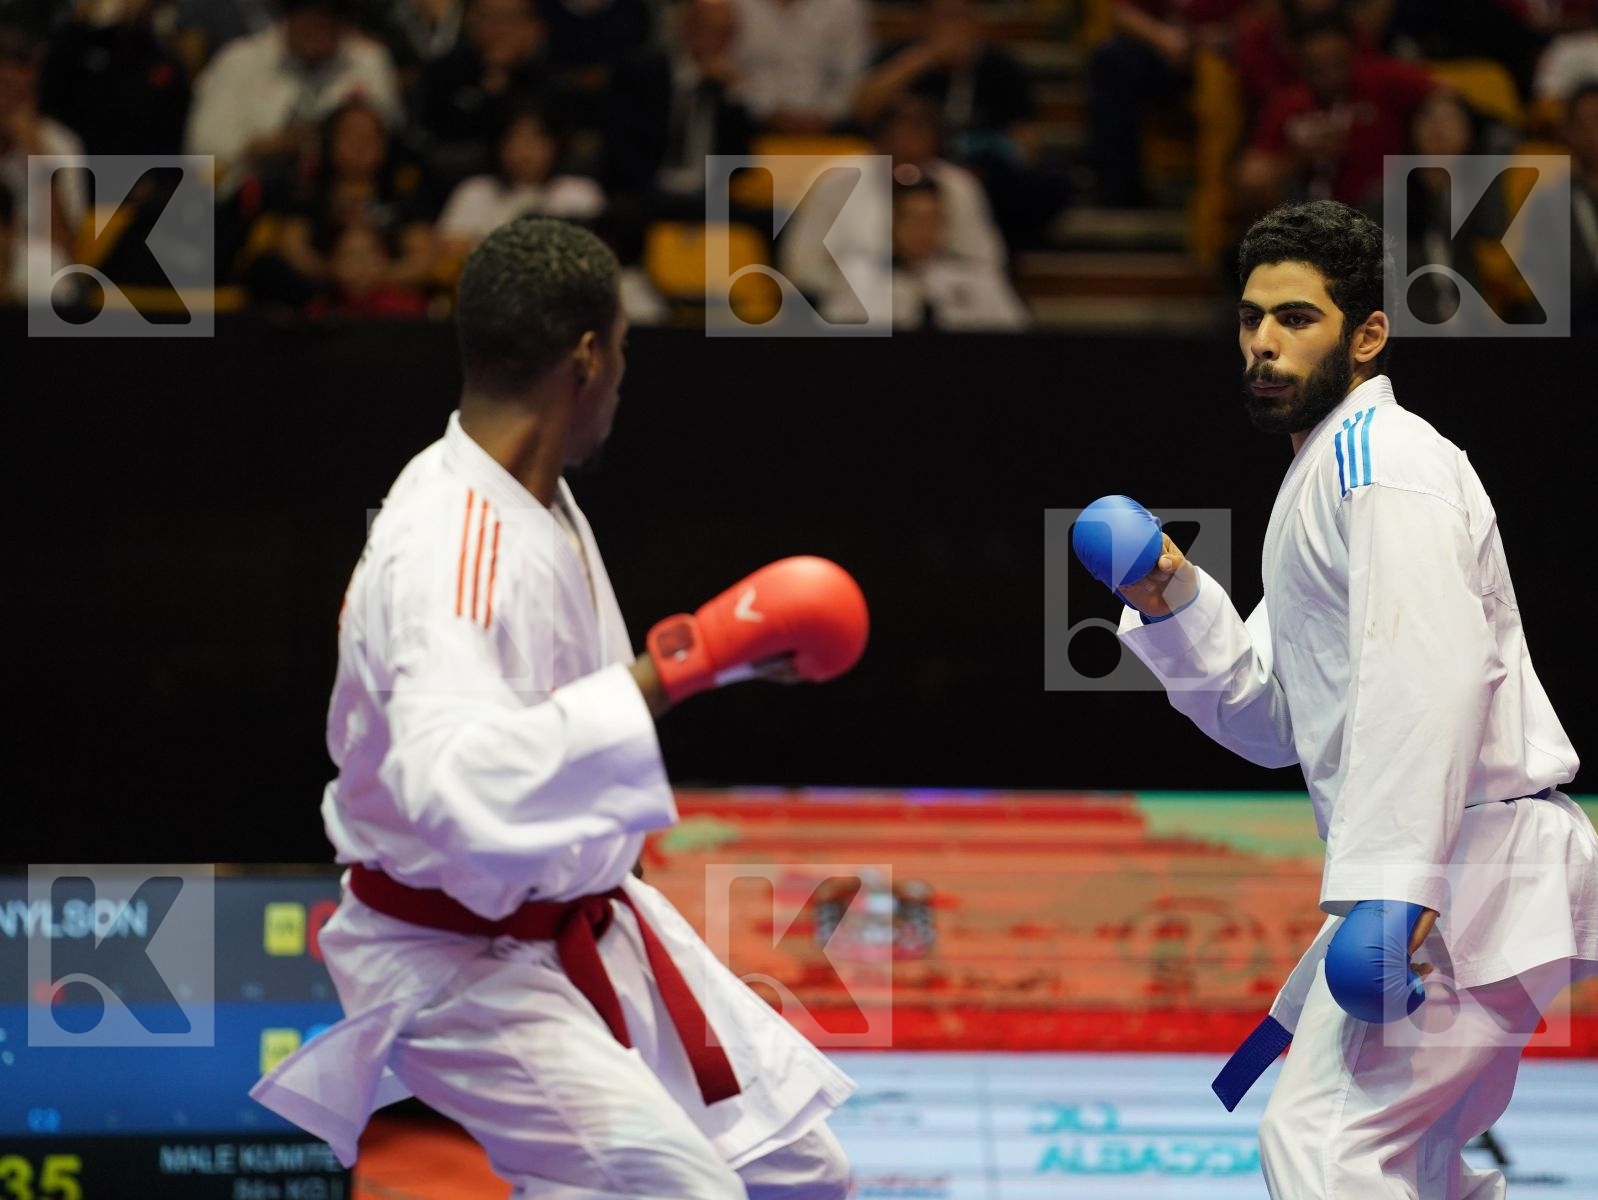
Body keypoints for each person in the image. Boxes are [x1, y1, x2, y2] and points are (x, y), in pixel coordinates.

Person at [249, 216, 862, 1199]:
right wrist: (677, 665)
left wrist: (729, 663)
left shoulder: (531, 499)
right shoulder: (446, 545)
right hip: (457, 960)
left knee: (804, 1177)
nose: (622, 376)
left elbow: (557, 705)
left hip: (584, 926)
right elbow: (452, 780)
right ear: (585, 357)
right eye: (621, 351)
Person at [1098, 199, 1598, 1197]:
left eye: (1295, 318)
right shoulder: (1320, 476)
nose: (1263, 344)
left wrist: (1396, 889)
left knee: (1325, 1149)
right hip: (1448, 869)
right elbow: (1268, 718)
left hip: (1460, 869)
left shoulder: (1383, 461)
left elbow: (1433, 675)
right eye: (1250, 319)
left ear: (1365, 334)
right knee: (1406, 1165)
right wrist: (1169, 600)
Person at [184, 0, 402, 199]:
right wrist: (272, 145)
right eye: (309, 21)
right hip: (245, 198)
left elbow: (388, 140)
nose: (318, 32)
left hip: (338, 201)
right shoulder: (238, 60)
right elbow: (203, 151)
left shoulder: (369, 60)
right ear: (287, 18)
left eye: (328, 23)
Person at [1237, 13, 1437, 214]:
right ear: (1298, 62)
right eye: (1317, 66)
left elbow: (1447, 100)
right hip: (1311, 220)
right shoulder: (1288, 104)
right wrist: (1296, 159)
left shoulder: (1384, 81)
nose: (1329, 75)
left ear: (1352, 53)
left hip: (1385, 213)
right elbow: (1250, 179)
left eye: (1337, 63)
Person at [436, 100, 603, 261]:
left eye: (535, 141)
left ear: (555, 144)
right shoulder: (475, 190)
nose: (525, 153)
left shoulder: (579, 192)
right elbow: (450, 250)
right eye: (515, 140)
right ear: (499, 145)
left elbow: (595, 254)